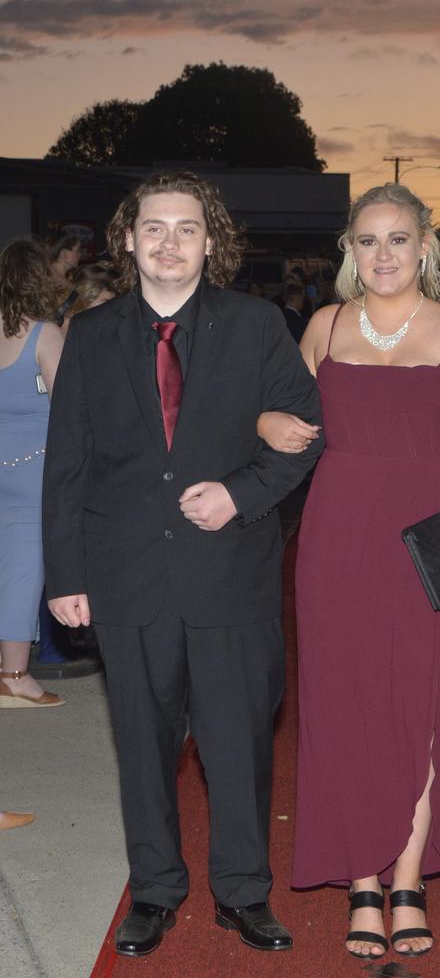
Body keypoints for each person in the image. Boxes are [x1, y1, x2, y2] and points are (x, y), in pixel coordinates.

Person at [42, 170, 323, 957]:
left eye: (187, 228)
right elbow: (66, 464)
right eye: (155, 228)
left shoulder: (257, 325)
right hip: (126, 577)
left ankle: (243, 893)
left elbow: (307, 429)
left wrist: (240, 493)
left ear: (213, 240)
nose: (170, 243)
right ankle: (156, 892)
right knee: (141, 746)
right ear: (128, 239)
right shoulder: (91, 335)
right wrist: (64, 575)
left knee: (239, 745)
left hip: (229, 573)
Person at [257, 182, 440, 959]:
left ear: (425, 246)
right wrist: (265, 420)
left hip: (430, 534)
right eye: (368, 241)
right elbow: (279, 417)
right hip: (336, 535)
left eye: (398, 239)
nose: (384, 254)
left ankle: (407, 880)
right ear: (348, 251)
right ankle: (363, 881)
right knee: (340, 707)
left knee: (424, 704)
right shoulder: (324, 328)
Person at [0, 238, 65, 709]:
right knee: (24, 571)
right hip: (35, 468)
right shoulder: (45, 334)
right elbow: (68, 407)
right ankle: (15, 675)